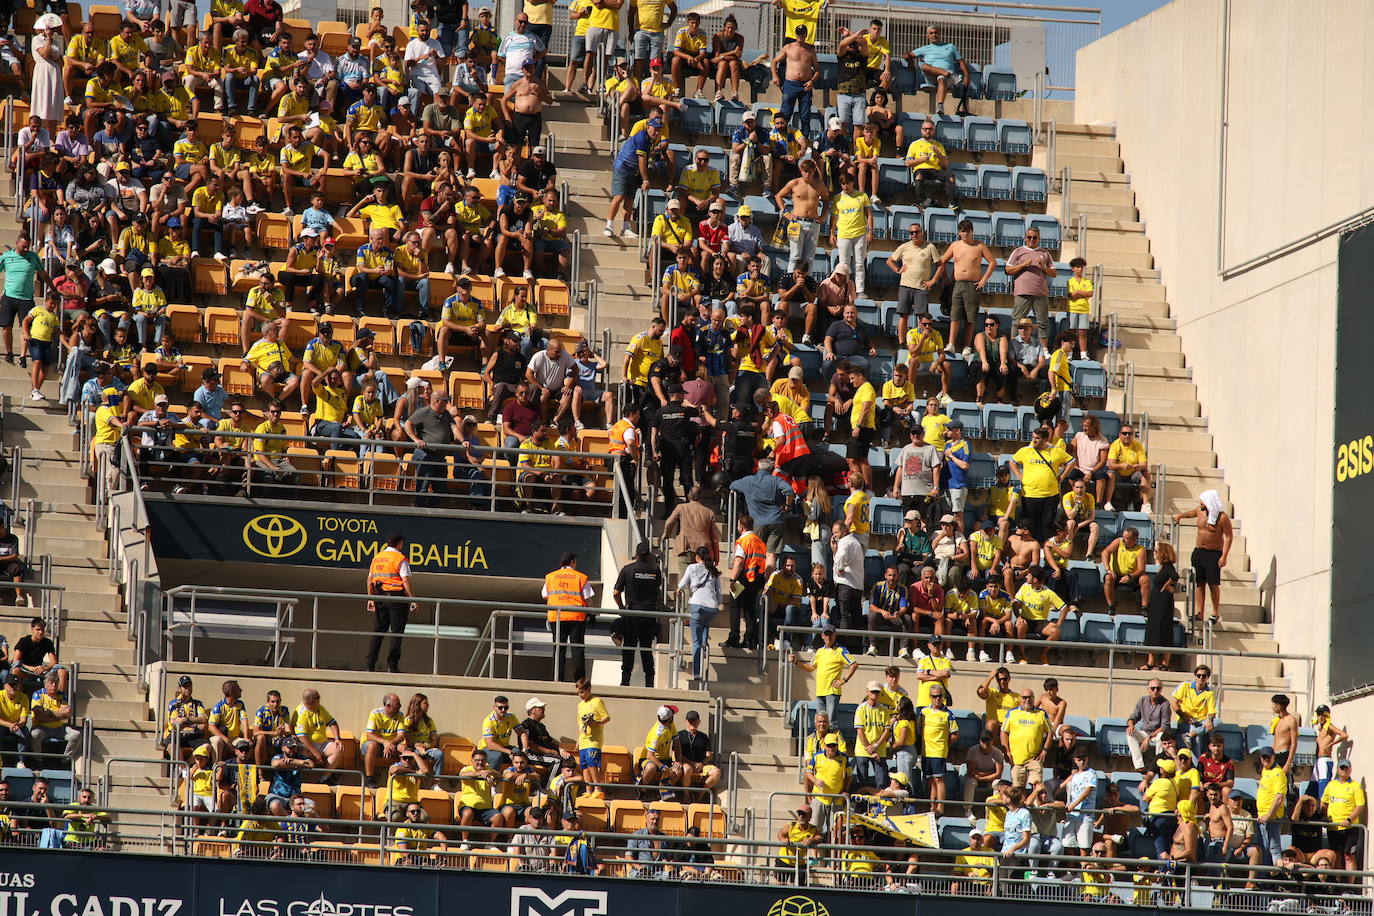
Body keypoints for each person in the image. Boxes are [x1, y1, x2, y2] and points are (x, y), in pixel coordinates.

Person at [931, 221, 994, 358]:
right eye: (962, 231)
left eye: (967, 231)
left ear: (972, 231)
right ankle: (951, 344)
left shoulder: (979, 246)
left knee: (970, 317)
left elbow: (992, 262)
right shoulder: (955, 245)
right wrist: (945, 278)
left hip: (973, 284)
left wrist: (983, 280)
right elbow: (942, 261)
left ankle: (967, 345)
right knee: (955, 314)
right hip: (957, 284)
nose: (965, 234)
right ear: (959, 232)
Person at [1171, 490, 1232, 625]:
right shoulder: (1200, 511)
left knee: (1213, 584)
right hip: (1199, 552)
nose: (1201, 503)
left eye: (1203, 501)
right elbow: (1190, 513)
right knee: (1199, 583)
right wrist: (1180, 516)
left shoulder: (1222, 518)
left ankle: (1215, 612)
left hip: (1213, 553)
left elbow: (1229, 536)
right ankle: (1200, 612)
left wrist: (1224, 556)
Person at [612, 542, 663, 687]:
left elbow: (616, 592)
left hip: (632, 615)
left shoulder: (628, 569)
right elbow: (658, 593)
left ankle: (625, 681)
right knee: (646, 649)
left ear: (636, 553)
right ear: (648, 555)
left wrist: (622, 608)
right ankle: (649, 682)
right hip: (649, 615)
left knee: (629, 648)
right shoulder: (655, 570)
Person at [1011, 426, 1074, 542]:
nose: (1034, 440)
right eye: (1033, 437)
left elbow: (1071, 462)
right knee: (1029, 524)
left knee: (1046, 524)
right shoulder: (1026, 450)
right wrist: (1020, 476)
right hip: (1030, 494)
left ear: (1045, 439)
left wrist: (1062, 476)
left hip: (1050, 495)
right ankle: (1031, 549)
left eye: (1037, 438)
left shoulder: (1055, 451)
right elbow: (1012, 462)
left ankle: (1044, 550)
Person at [543, 552, 594, 682]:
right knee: (577, 648)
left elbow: (544, 595)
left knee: (559, 647)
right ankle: (579, 680)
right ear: (572, 562)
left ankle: (558, 678)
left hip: (556, 617)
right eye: (576, 561)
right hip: (576, 616)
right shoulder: (580, 577)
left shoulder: (550, 577)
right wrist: (592, 613)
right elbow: (588, 599)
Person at [792, 626, 858, 720]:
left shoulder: (840, 650)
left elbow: (854, 665)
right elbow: (810, 668)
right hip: (820, 691)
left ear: (835, 636)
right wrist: (796, 662)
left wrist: (844, 680)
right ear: (822, 636)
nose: (828, 637)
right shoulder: (819, 651)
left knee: (830, 722)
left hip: (832, 691)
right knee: (820, 721)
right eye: (826, 634)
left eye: (831, 634)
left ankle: (831, 735)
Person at [1320, 760, 1365, 873]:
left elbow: (1360, 805)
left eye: (1346, 768)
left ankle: (1350, 887)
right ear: (1338, 770)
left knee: (1349, 856)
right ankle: (1339, 885)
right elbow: (1323, 802)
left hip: (1350, 828)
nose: (1343, 771)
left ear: (1350, 770)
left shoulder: (1355, 786)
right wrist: (1324, 816)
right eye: (1341, 768)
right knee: (1336, 856)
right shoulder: (1331, 785)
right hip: (1334, 827)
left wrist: (1349, 819)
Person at [1125, 679, 1173, 771]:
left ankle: (1157, 765)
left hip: (1156, 734)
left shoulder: (1165, 704)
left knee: (1161, 736)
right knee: (1129, 733)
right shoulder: (1142, 700)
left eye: (1158, 688)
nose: (1155, 690)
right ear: (1148, 689)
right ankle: (1139, 766)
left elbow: (1164, 726)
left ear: (1161, 689)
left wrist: (1149, 737)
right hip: (1145, 732)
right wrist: (1131, 726)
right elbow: (1133, 716)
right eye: (1153, 688)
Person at [1105, 423, 1153, 513]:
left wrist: (1135, 467)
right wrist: (1122, 466)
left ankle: (1145, 504)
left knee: (1146, 473)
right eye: (1124, 433)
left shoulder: (1138, 445)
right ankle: (1108, 502)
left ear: (1133, 435)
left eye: (1130, 433)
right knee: (1110, 473)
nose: (1127, 435)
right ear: (1120, 435)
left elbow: (1144, 464)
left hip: (1133, 473)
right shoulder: (1115, 445)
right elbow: (1111, 464)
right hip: (1118, 473)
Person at [1101, 526, 1151, 612]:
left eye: (1127, 538)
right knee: (1108, 577)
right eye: (1123, 537)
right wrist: (1108, 569)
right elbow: (1105, 552)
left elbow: (1141, 569)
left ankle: (1144, 607)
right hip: (1117, 574)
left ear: (1134, 539)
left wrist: (1130, 576)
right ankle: (1111, 606)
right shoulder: (1118, 542)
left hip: (1133, 576)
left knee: (1145, 579)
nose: (1123, 540)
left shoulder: (1140, 550)